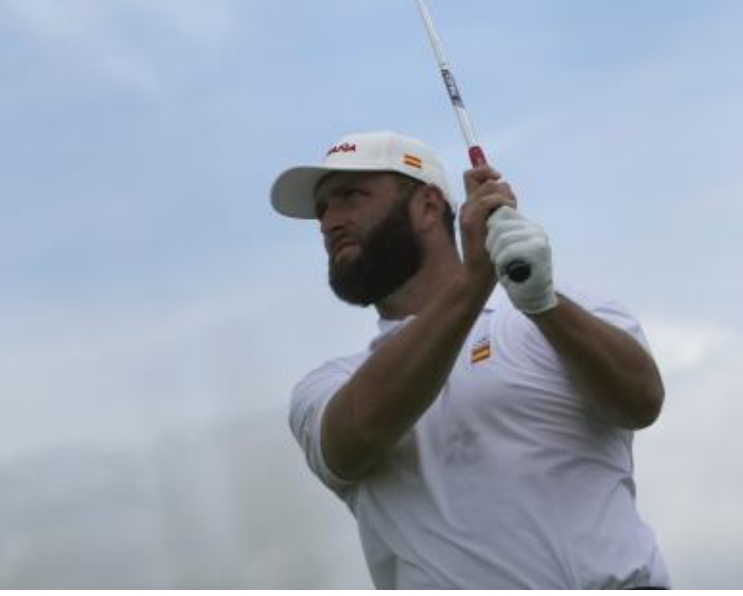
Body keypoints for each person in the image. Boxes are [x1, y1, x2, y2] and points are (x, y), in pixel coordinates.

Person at [271, 131, 671, 589]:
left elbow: (642, 400)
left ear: (426, 206)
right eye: (322, 209)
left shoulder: (553, 312)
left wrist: (541, 302)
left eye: (350, 197)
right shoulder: (328, 385)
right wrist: (474, 282)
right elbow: (351, 439)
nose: (330, 222)